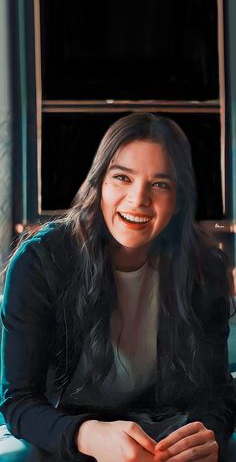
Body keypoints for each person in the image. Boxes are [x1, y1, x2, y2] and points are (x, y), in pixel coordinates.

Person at [0, 113, 236, 462]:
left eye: (160, 184)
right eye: (122, 177)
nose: (138, 199)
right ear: (99, 184)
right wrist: (86, 435)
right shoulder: (39, 261)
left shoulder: (203, 269)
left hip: (164, 433)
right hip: (69, 432)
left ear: (179, 198)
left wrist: (207, 433)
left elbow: (219, 393)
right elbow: (18, 400)